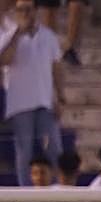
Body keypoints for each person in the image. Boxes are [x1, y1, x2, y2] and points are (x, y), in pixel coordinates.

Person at [1, 0, 65, 186]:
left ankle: (60, 191)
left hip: (45, 100)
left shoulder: (48, 36)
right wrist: (17, 35)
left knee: (53, 148)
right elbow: (5, 60)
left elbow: (56, 67)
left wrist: (60, 96)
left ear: (36, 10)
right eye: (21, 10)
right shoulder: (7, 36)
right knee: (24, 153)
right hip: (20, 104)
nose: (25, 13)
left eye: (28, 9)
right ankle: (25, 195)